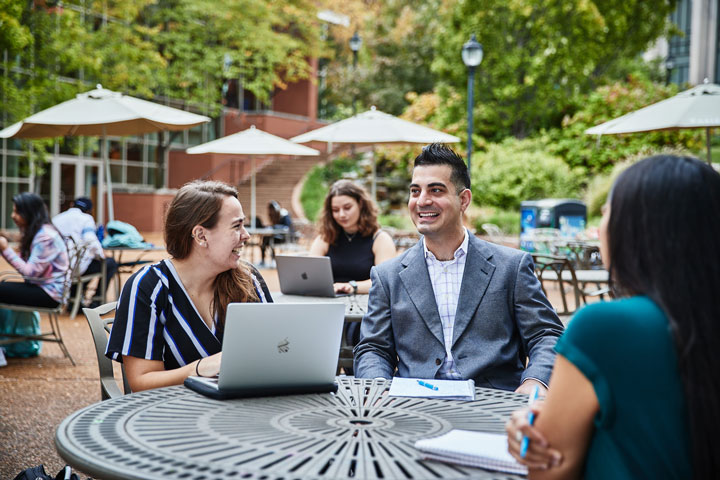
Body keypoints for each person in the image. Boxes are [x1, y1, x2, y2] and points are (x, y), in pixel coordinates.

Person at [505, 155, 720, 479]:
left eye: (605, 213)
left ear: (633, 229)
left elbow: (549, 471)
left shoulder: (603, 328)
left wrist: (536, 433)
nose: (597, 227)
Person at [353, 143, 563, 395]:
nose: (422, 201)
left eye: (436, 190)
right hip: (413, 407)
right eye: (415, 190)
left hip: (492, 405)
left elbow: (547, 334)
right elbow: (373, 348)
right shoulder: (387, 275)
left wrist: (535, 381)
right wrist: (379, 388)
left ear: (464, 200)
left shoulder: (511, 267)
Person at [106, 180, 273, 392]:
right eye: (236, 226)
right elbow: (141, 383)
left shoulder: (248, 280)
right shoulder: (148, 287)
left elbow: (273, 350)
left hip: (244, 409)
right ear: (201, 236)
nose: (246, 235)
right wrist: (202, 368)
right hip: (174, 416)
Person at [309, 180, 396, 295]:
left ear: (360, 204)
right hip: (330, 303)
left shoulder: (380, 239)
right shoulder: (325, 238)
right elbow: (309, 275)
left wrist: (352, 286)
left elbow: (385, 281)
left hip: (368, 305)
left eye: (347, 208)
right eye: (335, 210)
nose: (341, 215)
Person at [0, 193, 69, 308]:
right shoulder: (40, 232)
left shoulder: (45, 237)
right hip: (43, 287)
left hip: (50, 293)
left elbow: (29, 273)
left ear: (29, 213)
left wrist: (6, 249)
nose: (13, 216)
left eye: (17, 212)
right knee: (4, 286)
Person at [52, 196, 118, 305]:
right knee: (109, 263)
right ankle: (96, 302)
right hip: (76, 268)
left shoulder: (56, 218)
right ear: (89, 211)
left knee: (83, 261)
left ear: (72, 205)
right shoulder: (86, 218)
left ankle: (74, 303)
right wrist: (102, 255)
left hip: (58, 267)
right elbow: (91, 240)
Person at [259, 200, 294, 266]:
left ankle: (273, 260)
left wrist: (275, 227)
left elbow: (287, 227)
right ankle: (263, 260)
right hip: (276, 236)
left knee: (270, 240)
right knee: (265, 239)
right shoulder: (276, 215)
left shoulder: (285, 215)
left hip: (284, 238)